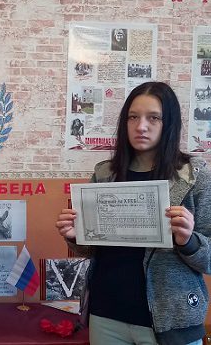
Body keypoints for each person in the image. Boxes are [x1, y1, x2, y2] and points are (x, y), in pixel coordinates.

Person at [56, 81, 211, 345]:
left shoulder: (194, 176)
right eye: (133, 117)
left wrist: (189, 241)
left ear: (169, 123)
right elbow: (93, 249)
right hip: (106, 315)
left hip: (170, 320)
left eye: (153, 118)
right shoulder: (105, 174)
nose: (141, 126)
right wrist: (74, 235)